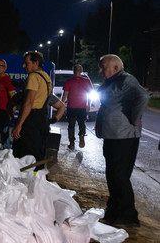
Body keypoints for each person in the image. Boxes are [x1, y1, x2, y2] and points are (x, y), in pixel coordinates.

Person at [95, 54, 148, 228]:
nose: (100, 71)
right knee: (112, 175)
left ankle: (128, 216)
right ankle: (114, 212)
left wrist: (136, 118)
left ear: (116, 68)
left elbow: (143, 96)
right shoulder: (112, 81)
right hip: (112, 136)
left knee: (120, 176)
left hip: (124, 137)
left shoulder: (127, 80)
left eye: (103, 67)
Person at [12, 51, 52, 164]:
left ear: (36, 63)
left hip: (31, 119)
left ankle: (26, 178)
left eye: (27, 63)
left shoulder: (33, 76)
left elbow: (29, 102)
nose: (24, 66)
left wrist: (19, 125)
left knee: (25, 152)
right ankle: (36, 176)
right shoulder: (46, 77)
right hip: (42, 117)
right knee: (37, 151)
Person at [62, 64, 93, 150]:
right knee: (82, 123)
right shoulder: (87, 81)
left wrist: (62, 104)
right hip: (82, 106)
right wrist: (89, 104)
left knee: (71, 125)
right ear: (82, 71)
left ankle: (72, 143)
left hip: (71, 107)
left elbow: (65, 94)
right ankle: (82, 135)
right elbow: (90, 94)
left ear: (73, 71)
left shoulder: (69, 81)